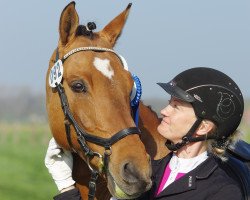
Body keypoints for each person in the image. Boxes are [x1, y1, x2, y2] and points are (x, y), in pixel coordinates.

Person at [45, 67, 248, 200]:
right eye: (169, 103)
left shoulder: (223, 192)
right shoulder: (148, 172)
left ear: (203, 127)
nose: (164, 111)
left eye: (176, 107)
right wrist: (65, 186)